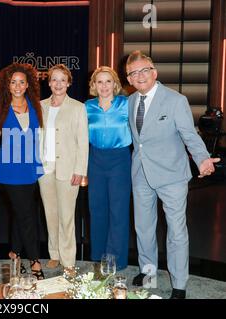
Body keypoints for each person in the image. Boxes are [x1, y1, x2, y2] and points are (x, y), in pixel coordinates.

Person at [126, 51, 220, 299]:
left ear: (154, 72)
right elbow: (138, 141)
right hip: (141, 173)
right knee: (144, 228)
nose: (140, 76)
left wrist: (202, 158)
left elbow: (189, 134)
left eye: (144, 70)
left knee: (176, 231)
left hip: (172, 176)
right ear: (130, 79)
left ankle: (179, 284)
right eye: (134, 73)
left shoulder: (176, 100)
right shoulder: (130, 101)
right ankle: (148, 272)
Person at [0, 63, 45, 280]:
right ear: (7, 85)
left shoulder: (35, 106)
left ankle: (14, 254)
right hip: (10, 169)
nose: (18, 86)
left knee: (23, 213)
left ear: (28, 84)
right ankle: (35, 260)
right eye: (13, 82)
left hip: (30, 168)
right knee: (27, 215)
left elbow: (37, 138)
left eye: (22, 81)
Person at [38, 64, 88, 271]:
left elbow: (83, 141)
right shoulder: (40, 105)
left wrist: (80, 170)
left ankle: (68, 260)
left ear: (68, 83)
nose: (58, 84)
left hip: (68, 169)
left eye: (62, 80)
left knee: (67, 216)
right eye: (54, 79)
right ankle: (54, 254)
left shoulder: (78, 107)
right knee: (50, 214)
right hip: (44, 168)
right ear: (49, 82)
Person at [85, 66, 132, 271]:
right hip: (95, 159)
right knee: (97, 209)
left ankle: (117, 260)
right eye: (100, 82)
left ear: (115, 84)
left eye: (108, 81)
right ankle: (99, 257)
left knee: (119, 211)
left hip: (120, 159)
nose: (104, 86)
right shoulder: (87, 106)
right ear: (94, 85)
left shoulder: (126, 104)